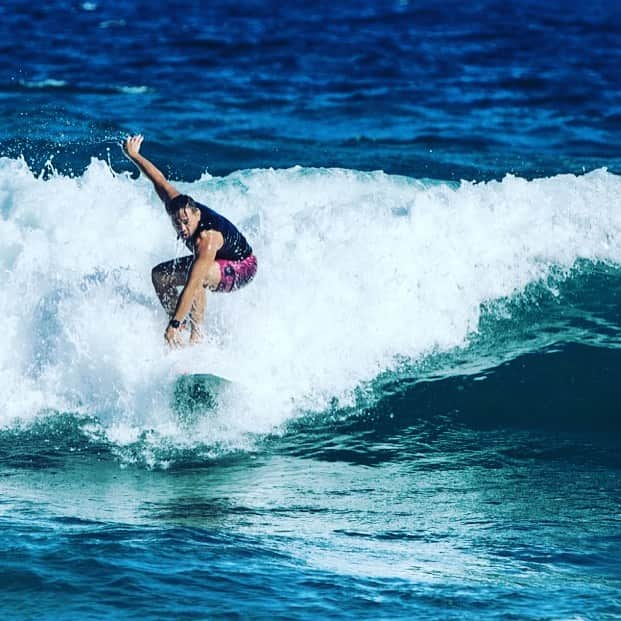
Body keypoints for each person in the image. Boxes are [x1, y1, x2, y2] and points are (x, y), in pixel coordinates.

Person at [123, 135, 257, 347]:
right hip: (217, 262)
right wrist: (134, 155)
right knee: (159, 275)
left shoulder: (206, 238)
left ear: (196, 214)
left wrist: (173, 324)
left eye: (186, 222)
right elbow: (158, 179)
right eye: (177, 223)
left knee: (196, 277)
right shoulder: (177, 206)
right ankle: (180, 325)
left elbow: (193, 282)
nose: (182, 228)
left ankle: (196, 336)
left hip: (242, 267)